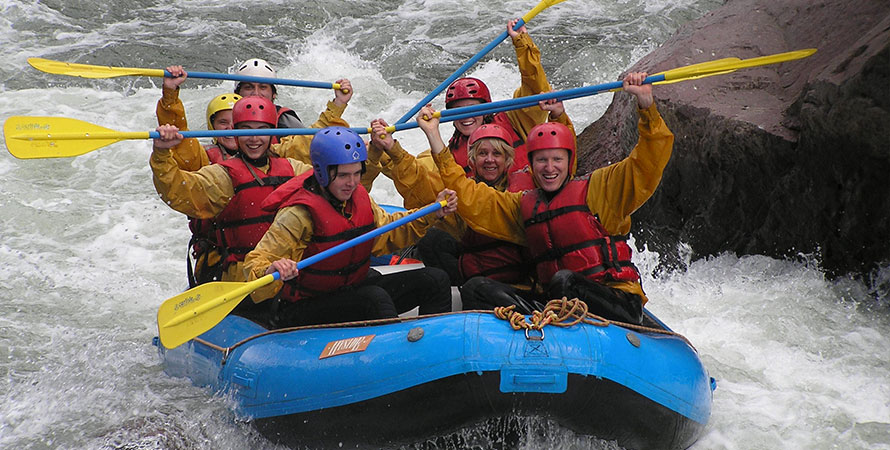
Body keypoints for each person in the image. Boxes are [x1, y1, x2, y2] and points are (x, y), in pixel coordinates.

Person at [419, 72, 674, 324]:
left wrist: (645, 105)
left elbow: (648, 160)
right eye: (541, 160)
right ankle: (534, 327)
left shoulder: (601, 188)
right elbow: (470, 195)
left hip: (613, 299)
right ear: (530, 164)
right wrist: (434, 136)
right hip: (553, 303)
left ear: (570, 161)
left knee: (565, 280)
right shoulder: (522, 205)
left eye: (556, 160)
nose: (549, 168)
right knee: (476, 288)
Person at [242, 127, 456, 327]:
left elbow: (387, 232)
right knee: (374, 299)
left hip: (349, 289)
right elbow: (256, 261)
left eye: (356, 174)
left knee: (435, 280)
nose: (352, 183)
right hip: (305, 305)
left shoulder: (357, 197)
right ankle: (393, 358)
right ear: (322, 173)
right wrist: (272, 268)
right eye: (343, 175)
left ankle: (437, 350)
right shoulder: (298, 214)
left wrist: (431, 213)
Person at [365, 19, 570, 211]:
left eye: (472, 109)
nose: (465, 117)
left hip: (535, 203)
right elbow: (410, 173)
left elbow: (534, 88)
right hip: (490, 215)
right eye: (458, 111)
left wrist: (522, 44)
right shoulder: (444, 155)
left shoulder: (516, 120)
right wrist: (380, 147)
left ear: (486, 108)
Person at [151, 96, 313, 323]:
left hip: (285, 269)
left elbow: (334, 182)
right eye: (245, 130)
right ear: (235, 132)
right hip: (237, 277)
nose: (254, 138)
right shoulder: (221, 176)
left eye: (262, 130)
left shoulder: (293, 168)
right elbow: (178, 191)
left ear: (272, 133)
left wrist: (371, 151)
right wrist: (161, 154)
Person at [156, 66, 242, 286]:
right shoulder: (202, 158)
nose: (231, 129)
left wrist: (336, 107)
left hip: (257, 256)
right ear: (212, 127)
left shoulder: (267, 156)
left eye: (237, 123)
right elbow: (180, 136)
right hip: (218, 260)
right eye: (223, 123)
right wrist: (170, 95)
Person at [233, 57, 354, 146]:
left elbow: (307, 143)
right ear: (237, 94)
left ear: (273, 94)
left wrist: (339, 103)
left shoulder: (284, 121)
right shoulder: (225, 117)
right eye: (248, 87)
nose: (256, 93)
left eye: (263, 87)